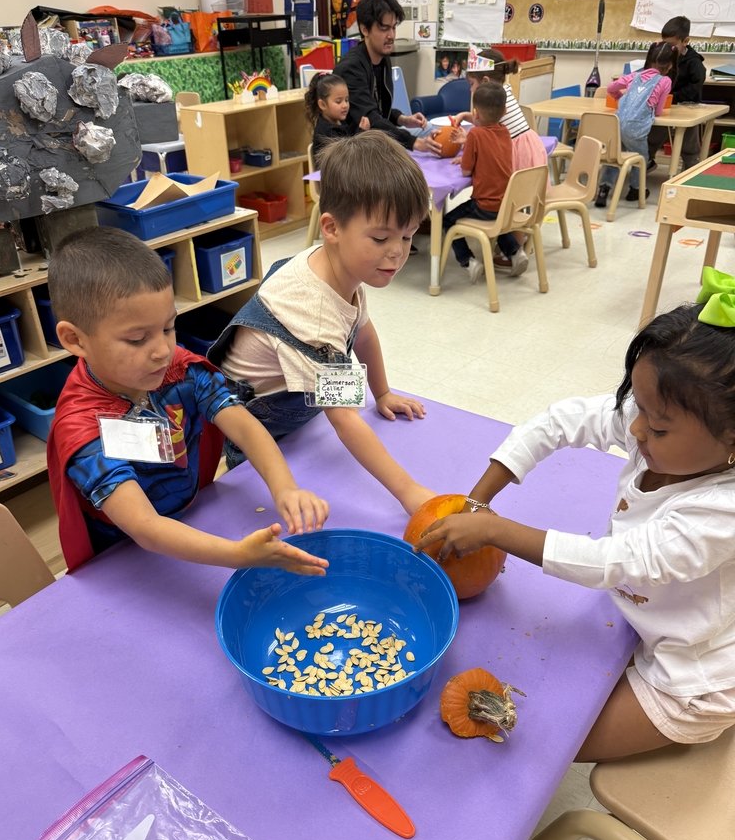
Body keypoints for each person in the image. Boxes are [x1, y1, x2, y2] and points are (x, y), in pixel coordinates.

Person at [413, 276, 735, 762]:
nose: (636, 427)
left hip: (695, 680)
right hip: (651, 618)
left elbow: (615, 561)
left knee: (543, 749)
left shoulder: (721, 513)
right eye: (638, 405)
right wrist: (476, 502)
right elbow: (559, 421)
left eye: (658, 426)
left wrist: (496, 530)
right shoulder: (656, 428)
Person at [46, 227, 329, 575]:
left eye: (168, 328)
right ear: (75, 339)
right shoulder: (84, 429)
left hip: (194, 515)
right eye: (137, 339)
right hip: (124, 556)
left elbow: (243, 425)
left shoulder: (179, 370)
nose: (162, 351)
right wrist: (238, 555)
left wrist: (285, 488)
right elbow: (145, 527)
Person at [209, 131, 435, 517]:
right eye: (381, 238)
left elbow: (362, 331)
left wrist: (382, 393)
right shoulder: (313, 314)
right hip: (250, 435)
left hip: (297, 420)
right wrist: (409, 491)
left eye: (407, 236)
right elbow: (344, 419)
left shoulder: (340, 267)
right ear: (331, 228)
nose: (397, 252)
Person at [441, 81, 528, 282]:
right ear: (505, 111)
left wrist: (466, 158)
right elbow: (491, 155)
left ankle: (468, 261)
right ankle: (515, 252)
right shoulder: (505, 131)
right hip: (506, 205)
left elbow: (465, 171)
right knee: (496, 219)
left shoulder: (475, 134)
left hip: (484, 206)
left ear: (476, 114)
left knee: (447, 220)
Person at [334, 0, 439, 154]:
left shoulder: (383, 59)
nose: (391, 36)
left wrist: (403, 119)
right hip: (357, 146)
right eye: (384, 28)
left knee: (431, 129)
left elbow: (380, 110)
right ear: (364, 29)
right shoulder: (350, 69)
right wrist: (414, 143)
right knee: (417, 146)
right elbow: (372, 120)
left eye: (393, 27)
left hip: (378, 136)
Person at [595, 41, 676, 208]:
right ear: (670, 65)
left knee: (614, 155)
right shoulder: (665, 81)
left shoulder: (634, 75)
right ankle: (635, 189)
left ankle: (603, 190)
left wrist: (621, 99)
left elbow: (611, 88)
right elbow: (658, 111)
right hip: (636, 128)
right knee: (641, 158)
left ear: (650, 59)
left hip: (617, 124)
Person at [452, 48, 548, 173]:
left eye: (472, 84)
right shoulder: (503, 92)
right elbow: (484, 120)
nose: (471, 90)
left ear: (485, 81)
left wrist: (469, 145)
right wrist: (465, 116)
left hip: (518, 156)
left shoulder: (496, 101)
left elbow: (486, 140)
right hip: (529, 150)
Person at [647, 16, 707, 172]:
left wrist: (674, 96)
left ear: (685, 41)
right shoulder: (664, 58)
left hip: (687, 106)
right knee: (655, 130)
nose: (669, 49)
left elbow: (695, 86)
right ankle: (647, 160)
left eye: (672, 45)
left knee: (688, 138)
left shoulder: (694, 62)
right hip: (665, 106)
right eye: (665, 44)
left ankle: (690, 168)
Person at [305, 72, 369, 156]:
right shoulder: (327, 133)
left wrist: (361, 129)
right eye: (338, 101)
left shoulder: (341, 121)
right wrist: (362, 133)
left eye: (346, 100)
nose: (345, 105)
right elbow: (347, 157)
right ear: (322, 105)